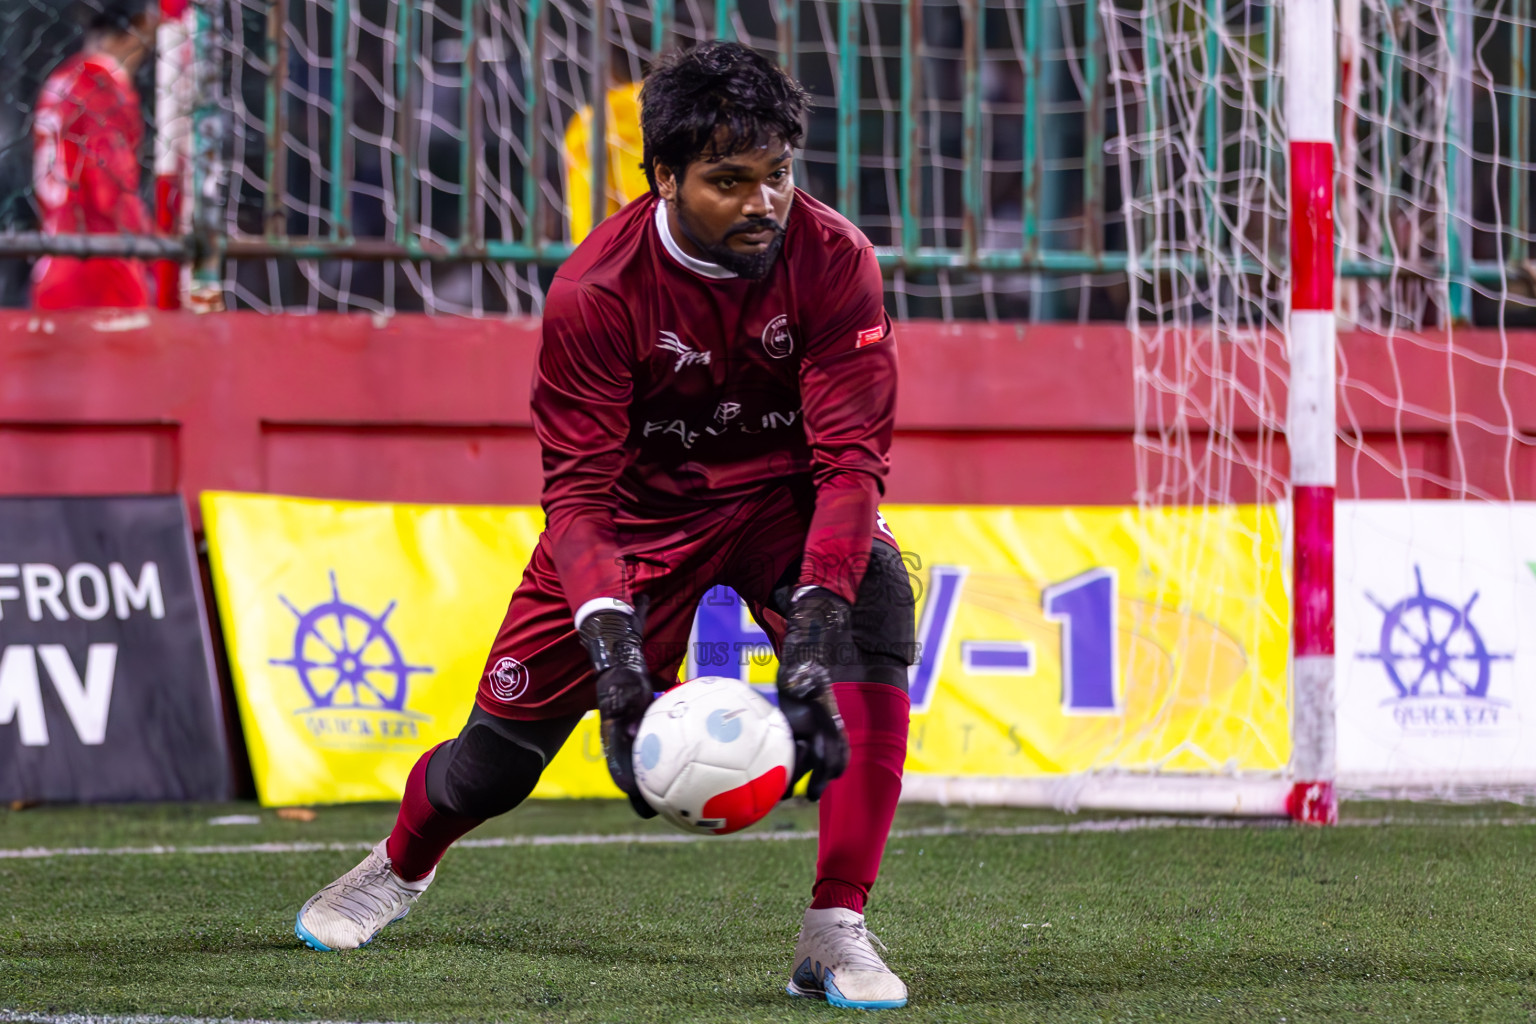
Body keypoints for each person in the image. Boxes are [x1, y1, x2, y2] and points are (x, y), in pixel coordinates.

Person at [293, 40, 915, 1011]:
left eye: (779, 176)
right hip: (634, 514)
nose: (763, 203)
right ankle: (399, 862)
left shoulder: (836, 260)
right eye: (729, 180)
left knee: (872, 601)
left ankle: (835, 927)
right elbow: (580, 496)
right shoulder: (597, 290)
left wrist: (818, 628)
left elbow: (851, 466)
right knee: (491, 766)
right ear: (664, 178)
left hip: (777, 500)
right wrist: (619, 662)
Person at [31, 0, 159, 310]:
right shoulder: (103, 90)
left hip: (54, 263)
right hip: (102, 275)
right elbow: (110, 193)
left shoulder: (63, 78)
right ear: (141, 25)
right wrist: (158, 252)